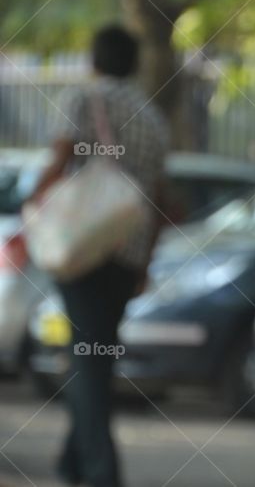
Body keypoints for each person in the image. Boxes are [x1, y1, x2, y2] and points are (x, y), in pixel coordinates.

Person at [28, 25, 170, 487]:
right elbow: (158, 197)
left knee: (87, 362)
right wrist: (144, 264)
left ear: (94, 59)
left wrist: (30, 211)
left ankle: (100, 473)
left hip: (83, 249)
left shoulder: (85, 100)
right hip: (128, 253)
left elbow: (58, 161)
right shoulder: (151, 116)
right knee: (95, 357)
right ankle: (73, 463)